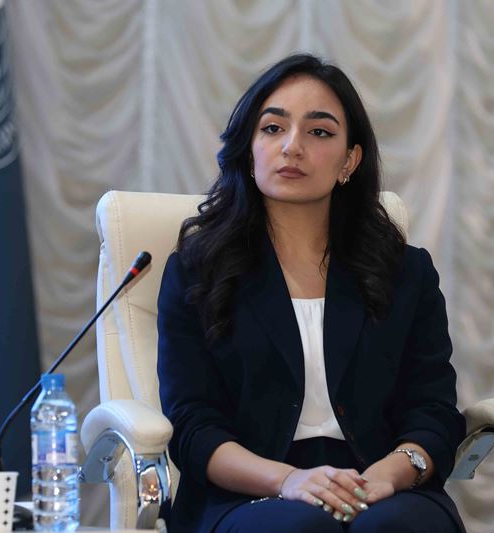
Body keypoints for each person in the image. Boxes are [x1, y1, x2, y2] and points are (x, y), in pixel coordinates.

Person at [156, 53, 466, 532]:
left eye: (319, 132)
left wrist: (389, 474)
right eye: (273, 128)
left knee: (392, 528)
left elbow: (434, 411)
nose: (292, 147)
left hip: (383, 484)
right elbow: (194, 428)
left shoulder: (405, 271)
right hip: (249, 493)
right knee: (299, 528)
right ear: (249, 150)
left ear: (349, 160)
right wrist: (289, 480)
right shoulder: (198, 272)